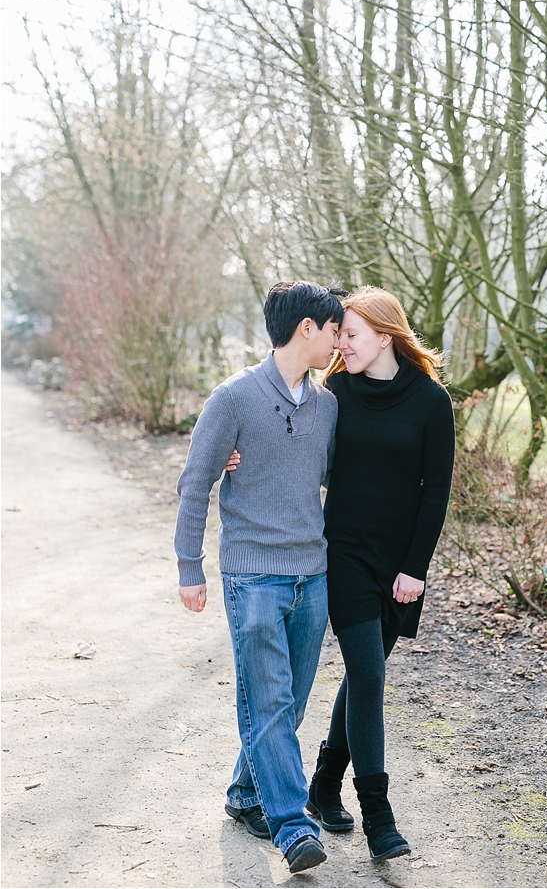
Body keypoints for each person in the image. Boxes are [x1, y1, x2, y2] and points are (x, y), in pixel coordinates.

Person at [226, 286, 455, 861]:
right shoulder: (335, 396)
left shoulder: (432, 403)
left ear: (385, 335)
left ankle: (324, 783)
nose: (340, 343)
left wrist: (415, 569)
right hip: (343, 555)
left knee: (363, 676)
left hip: (399, 563)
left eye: (351, 334)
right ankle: (378, 814)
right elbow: (295, 448)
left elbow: (436, 495)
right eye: (339, 332)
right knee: (369, 676)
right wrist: (239, 455)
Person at [174, 280, 344, 875]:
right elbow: (195, 484)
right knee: (268, 700)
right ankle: (292, 827)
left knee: (289, 703)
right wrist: (189, 567)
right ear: (307, 329)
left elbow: (330, 479)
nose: (337, 341)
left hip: (312, 576)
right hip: (252, 576)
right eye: (333, 330)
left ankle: (247, 794)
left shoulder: (327, 405)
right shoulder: (234, 398)